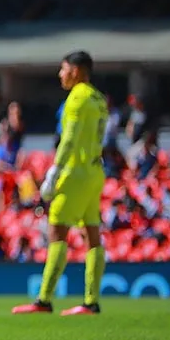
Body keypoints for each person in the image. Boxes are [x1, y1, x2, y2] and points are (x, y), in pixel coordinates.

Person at [13, 50, 107, 316]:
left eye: (63, 69)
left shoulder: (77, 97)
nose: (60, 74)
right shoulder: (99, 99)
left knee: (57, 231)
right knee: (92, 234)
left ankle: (44, 300)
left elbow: (70, 139)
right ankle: (91, 301)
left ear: (75, 71)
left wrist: (54, 171)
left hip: (75, 172)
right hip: (95, 171)